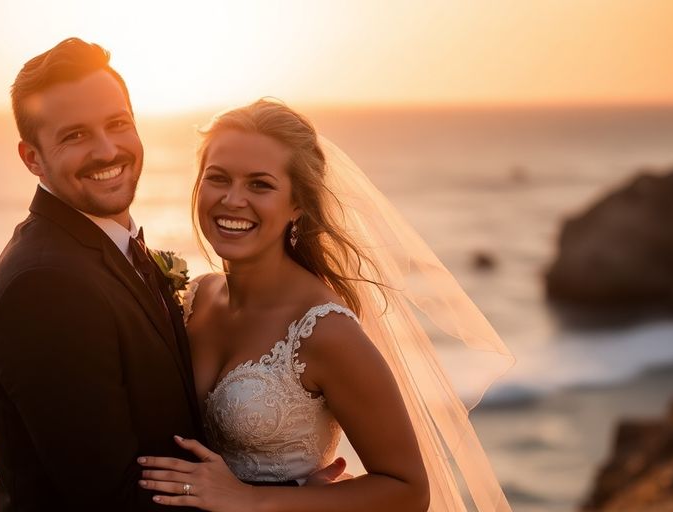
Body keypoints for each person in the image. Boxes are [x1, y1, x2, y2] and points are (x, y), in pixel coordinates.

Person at [0, 40, 343, 511]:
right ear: (32, 158)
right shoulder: (45, 286)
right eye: (75, 136)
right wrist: (276, 500)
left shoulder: (107, 253)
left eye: (118, 124)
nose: (107, 150)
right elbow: (112, 502)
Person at [138, 99, 514, 511]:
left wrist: (251, 500)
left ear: (297, 203)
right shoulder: (199, 296)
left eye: (260, 184)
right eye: (218, 178)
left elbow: (408, 491)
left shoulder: (324, 330)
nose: (232, 199)